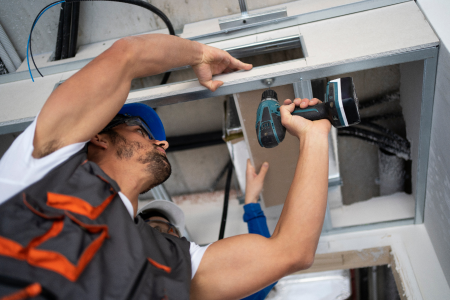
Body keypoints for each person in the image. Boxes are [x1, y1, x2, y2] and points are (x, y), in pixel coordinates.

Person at [0, 33, 331, 300]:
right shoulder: (42, 163)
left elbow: (291, 252)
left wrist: (314, 137)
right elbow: (127, 55)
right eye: (143, 132)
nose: (163, 143)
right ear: (99, 137)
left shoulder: (171, 258)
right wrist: (199, 54)